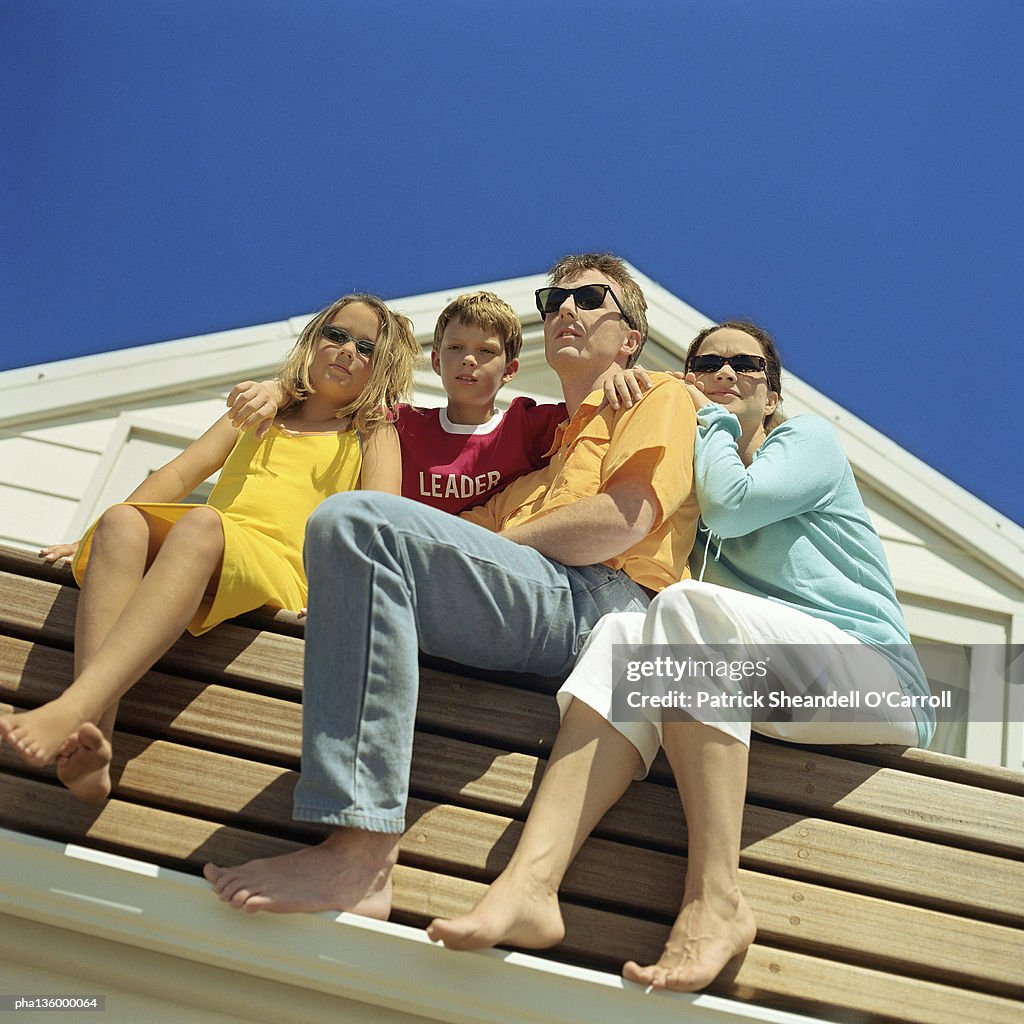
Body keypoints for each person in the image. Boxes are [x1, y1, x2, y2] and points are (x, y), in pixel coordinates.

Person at [427, 320, 934, 992]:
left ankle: (716, 899)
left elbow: (736, 505)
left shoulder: (805, 441)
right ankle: (530, 885)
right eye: (706, 364)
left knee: (684, 609)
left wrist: (707, 419)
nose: (725, 374)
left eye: (745, 365)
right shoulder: (694, 493)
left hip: (876, 680)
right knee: (623, 636)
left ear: (773, 395)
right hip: (773, 682)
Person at [203, 252, 701, 920]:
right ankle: (355, 846)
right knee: (359, 537)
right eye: (554, 302)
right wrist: (281, 392)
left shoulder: (655, 396)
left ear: (630, 339)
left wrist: (494, 546)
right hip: (537, 605)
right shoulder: (541, 460)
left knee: (357, 523)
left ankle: (358, 853)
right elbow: (440, 540)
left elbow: (623, 519)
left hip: (604, 605)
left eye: (588, 299)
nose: (566, 312)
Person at [0, 294, 419, 803]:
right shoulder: (261, 413)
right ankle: (92, 745)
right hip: (214, 542)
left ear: (382, 368)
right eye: (335, 335)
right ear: (312, 342)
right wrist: (88, 538)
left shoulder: (370, 432)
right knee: (119, 524)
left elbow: (377, 521)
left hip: (281, 569)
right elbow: (180, 472)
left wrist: (347, 594)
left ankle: (72, 708)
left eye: (365, 347)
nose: (346, 351)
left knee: (201, 524)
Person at [227, 290, 566, 515]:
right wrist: (278, 389)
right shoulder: (399, 424)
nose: (468, 360)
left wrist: (620, 374)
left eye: (486, 351)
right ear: (436, 362)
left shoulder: (529, 425)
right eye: (455, 348)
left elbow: (594, 407)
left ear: (511, 369)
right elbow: (337, 395)